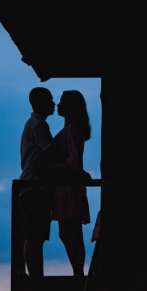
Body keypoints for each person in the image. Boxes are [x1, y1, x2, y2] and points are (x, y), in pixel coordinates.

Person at [38, 90, 92, 277]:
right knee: (73, 232)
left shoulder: (71, 130)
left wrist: (48, 170)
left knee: (68, 232)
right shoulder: (72, 129)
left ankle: (78, 273)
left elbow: (74, 161)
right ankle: (79, 272)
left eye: (62, 102)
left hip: (67, 187)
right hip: (68, 186)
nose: (58, 105)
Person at [19, 87, 56, 278]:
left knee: (34, 234)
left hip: (31, 186)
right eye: (50, 100)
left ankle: (34, 276)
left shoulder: (32, 123)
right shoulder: (39, 125)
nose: (54, 103)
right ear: (39, 102)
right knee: (34, 235)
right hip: (35, 186)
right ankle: (34, 277)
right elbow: (51, 151)